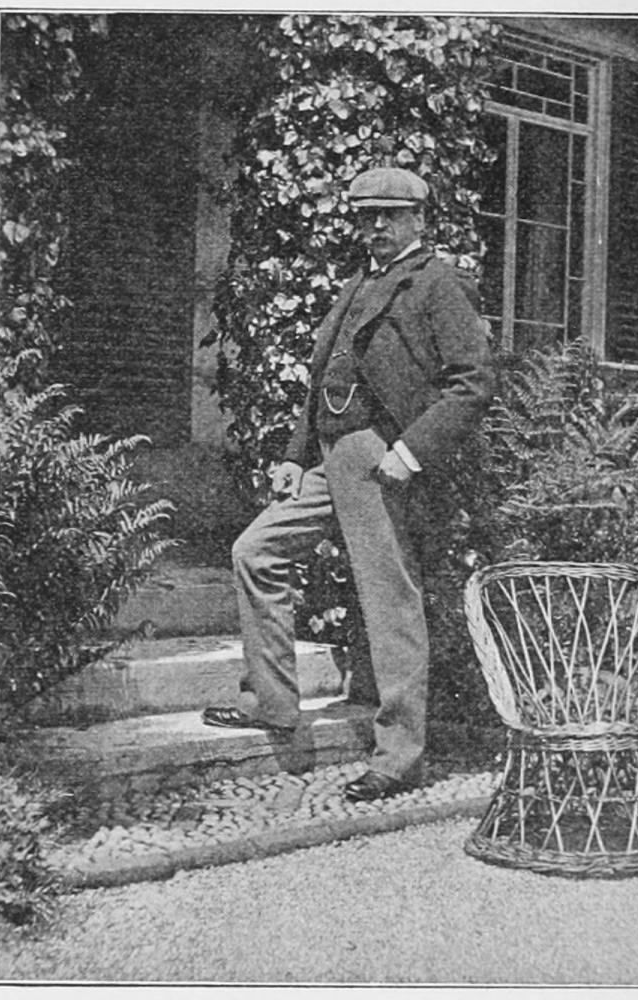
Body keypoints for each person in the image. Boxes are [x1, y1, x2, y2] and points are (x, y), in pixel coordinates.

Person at [202, 166, 495, 803]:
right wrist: (295, 456)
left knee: (389, 603)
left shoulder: (439, 283)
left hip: (380, 456)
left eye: (390, 215)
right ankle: (273, 703)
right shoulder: (358, 283)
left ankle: (399, 757)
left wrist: (411, 451)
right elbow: (323, 386)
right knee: (256, 552)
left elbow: (472, 383)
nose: (377, 226)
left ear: (419, 219)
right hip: (328, 458)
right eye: (367, 216)